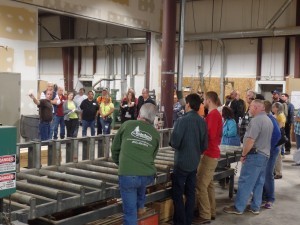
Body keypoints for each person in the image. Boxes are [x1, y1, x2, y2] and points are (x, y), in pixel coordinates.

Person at [111, 103, 160, 225]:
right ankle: (141, 206)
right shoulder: (155, 134)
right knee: (140, 180)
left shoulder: (127, 125)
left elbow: (114, 149)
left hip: (128, 176)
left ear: (139, 114)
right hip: (147, 176)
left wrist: (122, 164)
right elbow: (152, 157)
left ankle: (137, 210)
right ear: (153, 118)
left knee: (129, 213)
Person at [223, 99, 273, 215]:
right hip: (265, 155)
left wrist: (244, 155)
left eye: (250, 107)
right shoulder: (268, 120)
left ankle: (238, 207)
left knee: (245, 181)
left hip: (255, 155)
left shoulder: (256, 121)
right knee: (258, 182)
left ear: (256, 108)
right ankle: (255, 207)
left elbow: (250, 140)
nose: (249, 109)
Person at [170, 93, 208, 225]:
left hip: (181, 163)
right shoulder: (202, 121)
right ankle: (188, 220)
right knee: (191, 193)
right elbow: (204, 145)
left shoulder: (182, 121)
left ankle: (180, 222)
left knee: (178, 193)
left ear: (188, 104)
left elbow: (175, 142)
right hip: (194, 163)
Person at [195, 91, 222, 224]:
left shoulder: (212, 115)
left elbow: (209, 135)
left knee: (200, 185)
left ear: (209, 101)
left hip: (209, 154)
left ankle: (204, 215)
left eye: (204, 100)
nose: (203, 102)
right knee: (209, 184)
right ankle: (211, 211)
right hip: (213, 152)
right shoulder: (216, 115)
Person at [262, 100, 281, 209]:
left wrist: (269, 148)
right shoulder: (265, 118)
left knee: (268, 174)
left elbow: (277, 135)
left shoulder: (270, 118)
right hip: (267, 150)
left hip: (272, 150)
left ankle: (270, 198)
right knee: (263, 173)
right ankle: (264, 196)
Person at [272, 102, 286, 179]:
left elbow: (279, 127)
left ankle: (278, 172)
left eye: (273, 107)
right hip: (276, 136)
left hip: (279, 137)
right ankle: (275, 171)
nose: (272, 108)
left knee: (278, 155)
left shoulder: (281, 116)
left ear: (277, 108)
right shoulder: (277, 115)